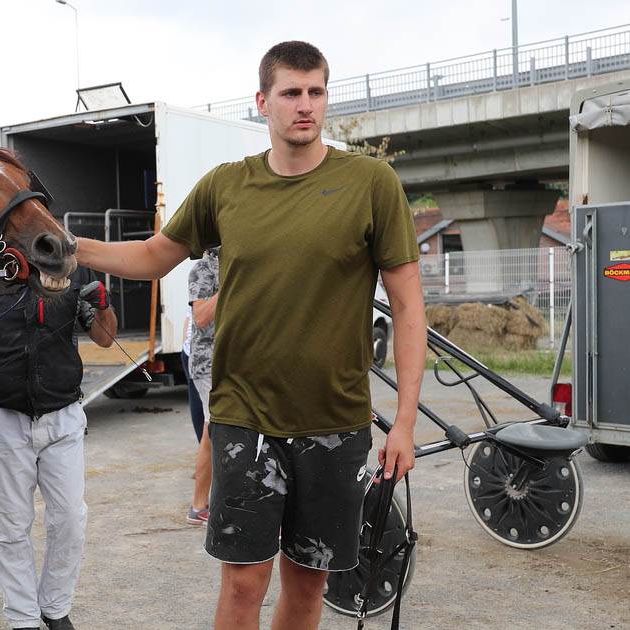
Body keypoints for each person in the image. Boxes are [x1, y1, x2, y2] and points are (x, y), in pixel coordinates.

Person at [74, 41, 426, 629]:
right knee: (242, 584)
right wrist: (72, 248)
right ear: (263, 102)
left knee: (308, 585)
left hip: (333, 420)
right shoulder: (227, 186)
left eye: (316, 91)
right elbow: (155, 255)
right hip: (245, 419)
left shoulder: (371, 183)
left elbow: (410, 309)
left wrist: (406, 424)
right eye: (291, 93)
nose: (305, 105)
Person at [0, 265, 117, 630]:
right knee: (12, 526)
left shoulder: (71, 278)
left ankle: (55, 607)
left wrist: (103, 306)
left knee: (70, 519)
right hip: (3, 421)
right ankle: (23, 618)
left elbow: (105, 337)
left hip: (62, 417)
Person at [186, 248, 219, 525]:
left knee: (218, 428)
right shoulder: (203, 269)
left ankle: (209, 502)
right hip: (208, 362)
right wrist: (233, 283)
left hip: (233, 361)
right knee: (213, 427)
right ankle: (198, 504)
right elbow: (201, 316)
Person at [180, 303, 205, 443]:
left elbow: (188, 315)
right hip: (199, 352)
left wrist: (185, 345)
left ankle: (204, 447)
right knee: (204, 409)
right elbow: (199, 318)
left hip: (190, 350)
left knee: (201, 404)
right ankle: (205, 448)